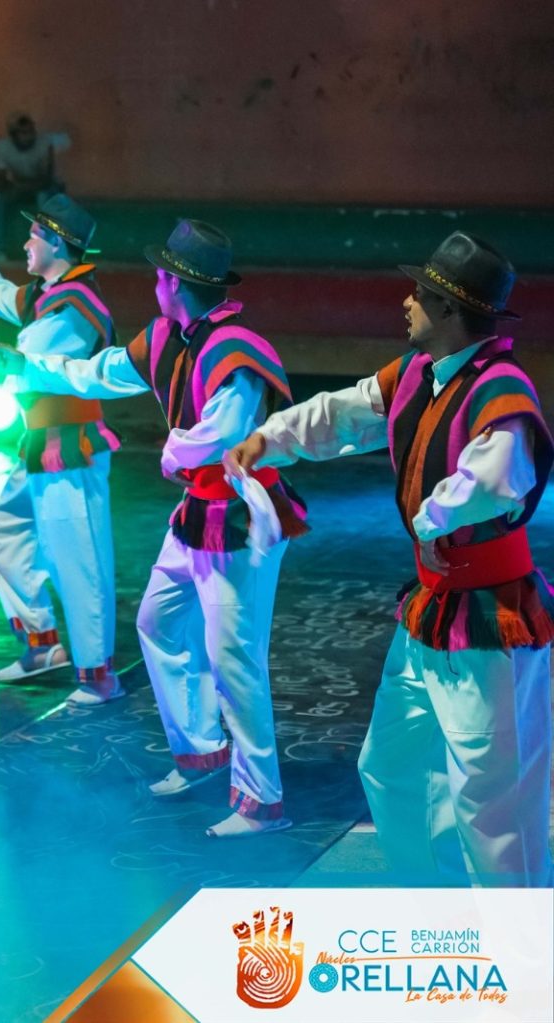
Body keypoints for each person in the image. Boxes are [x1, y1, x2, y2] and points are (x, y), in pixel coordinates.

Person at [229, 233, 553, 882]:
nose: (406, 302)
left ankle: (517, 938)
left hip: (489, 622)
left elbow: (494, 480)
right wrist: (269, 438)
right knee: (391, 767)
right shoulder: (416, 375)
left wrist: (433, 518)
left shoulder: (501, 390)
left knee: (492, 803)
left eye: (420, 294)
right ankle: (440, 903)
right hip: (431, 611)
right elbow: (345, 413)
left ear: (451, 310)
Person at [12, 220, 307, 837]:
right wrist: (31, 367)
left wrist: (174, 450)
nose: (154, 282)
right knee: (159, 621)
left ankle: (262, 801)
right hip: (197, 511)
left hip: (238, 517)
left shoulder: (235, 351)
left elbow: (225, 431)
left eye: (159, 274)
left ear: (174, 282)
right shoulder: (166, 337)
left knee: (235, 661)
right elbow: (101, 372)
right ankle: (201, 751)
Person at [0, 195, 122, 703]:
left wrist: (6, 360)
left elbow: (33, 356)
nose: (26, 244)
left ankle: (98, 676)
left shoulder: (76, 306)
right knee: (4, 531)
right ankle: (42, 644)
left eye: (34, 236)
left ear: (57, 245)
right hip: (42, 443)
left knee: (78, 560)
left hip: (70, 446)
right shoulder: (50, 295)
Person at [0, 113, 65, 253]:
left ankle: (49, 247)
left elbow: (46, 178)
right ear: (14, 135)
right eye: (23, 133)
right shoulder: (2, 147)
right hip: (14, 188)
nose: (28, 136)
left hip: (38, 188)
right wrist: (14, 186)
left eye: (31, 132)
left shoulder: (44, 145)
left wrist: (22, 184)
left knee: (45, 198)